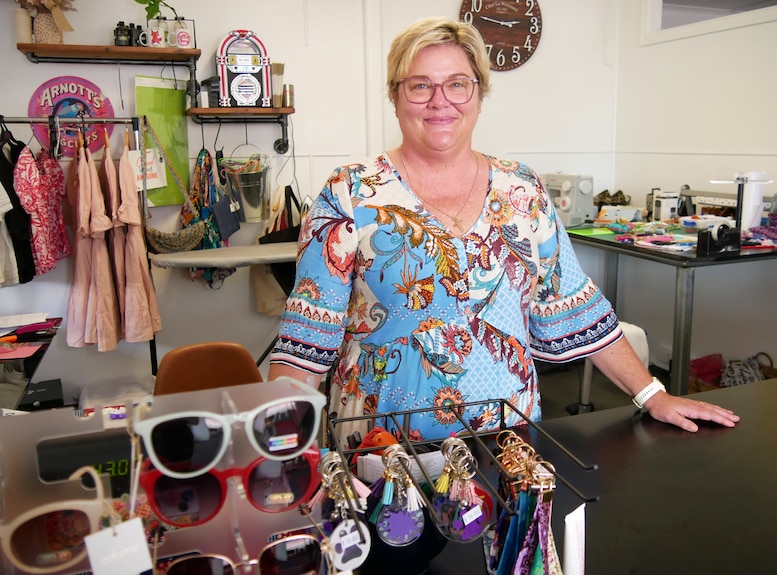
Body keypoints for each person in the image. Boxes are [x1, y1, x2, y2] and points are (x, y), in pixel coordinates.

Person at [269, 17, 739, 447]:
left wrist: (653, 395)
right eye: (420, 86)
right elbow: (306, 335)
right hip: (381, 449)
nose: (440, 102)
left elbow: (574, 304)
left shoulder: (523, 189)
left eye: (458, 84)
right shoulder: (350, 192)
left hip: (509, 444)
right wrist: (276, 449)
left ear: (479, 94)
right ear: (394, 96)